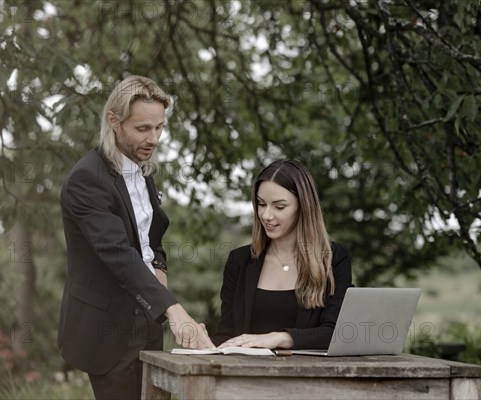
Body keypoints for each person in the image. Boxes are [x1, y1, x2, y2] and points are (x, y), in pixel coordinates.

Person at [58, 75, 214, 400]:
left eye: (159, 127)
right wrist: (174, 311)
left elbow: (149, 238)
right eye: (143, 128)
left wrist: (160, 265)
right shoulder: (87, 178)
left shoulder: (142, 170)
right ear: (114, 121)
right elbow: (118, 253)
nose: (154, 138)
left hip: (147, 321)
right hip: (107, 331)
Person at [213, 159, 353, 350]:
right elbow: (225, 335)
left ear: (303, 207)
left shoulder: (334, 259)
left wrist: (280, 338)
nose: (266, 215)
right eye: (261, 204)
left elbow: (335, 333)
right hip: (245, 376)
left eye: (279, 207)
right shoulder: (239, 261)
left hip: (310, 377)